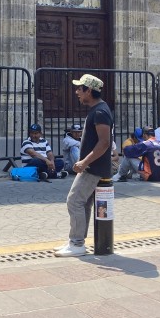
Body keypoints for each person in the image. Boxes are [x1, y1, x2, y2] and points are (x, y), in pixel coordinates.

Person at [54, 74, 112, 258]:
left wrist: (84, 162)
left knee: (74, 201)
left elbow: (104, 143)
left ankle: (77, 243)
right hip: (92, 166)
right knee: (84, 204)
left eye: (80, 88)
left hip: (93, 168)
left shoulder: (100, 112)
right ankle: (77, 241)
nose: (77, 92)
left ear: (89, 90)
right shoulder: (97, 110)